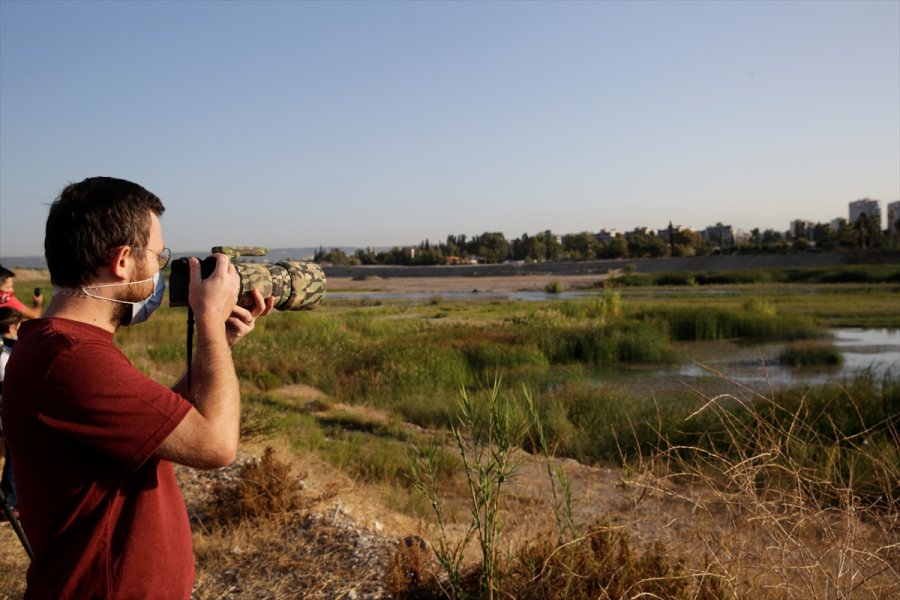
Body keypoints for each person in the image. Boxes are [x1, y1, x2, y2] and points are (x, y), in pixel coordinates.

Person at [1, 176, 273, 599]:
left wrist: (218, 341)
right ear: (124, 260)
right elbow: (216, 445)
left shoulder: (56, 345)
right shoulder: (73, 357)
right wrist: (208, 324)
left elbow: (164, 421)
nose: (160, 271)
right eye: (158, 257)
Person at [0, 307, 22, 518]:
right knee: (15, 454)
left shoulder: (7, 350)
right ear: (11, 327)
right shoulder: (6, 354)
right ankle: (9, 501)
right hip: (7, 411)